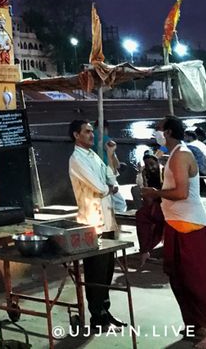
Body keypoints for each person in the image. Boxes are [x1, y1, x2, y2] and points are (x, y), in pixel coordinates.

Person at [141, 116, 206, 348]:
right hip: (175, 224)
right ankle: (196, 325)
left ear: (169, 132)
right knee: (179, 278)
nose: (156, 132)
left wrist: (155, 193)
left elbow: (181, 193)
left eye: (159, 129)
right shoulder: (171, 154)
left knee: (199, 280)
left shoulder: (182, 155)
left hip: (190, 225)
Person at [68, 119, 125, 330]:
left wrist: (109, 156)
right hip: (92, 221)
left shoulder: (93, 155)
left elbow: (112, 175)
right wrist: (110, 186)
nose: (92, 135)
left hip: (108, 219)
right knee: (96, 271)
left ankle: (105, 310)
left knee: (108, 269)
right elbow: (100, 187)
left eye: (92, 131)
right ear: (76, 135)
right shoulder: (76, 159)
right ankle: (97, 315)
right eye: (87, 132)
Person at [133, 152, 164, 266]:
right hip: (155, 204)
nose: (151, 168)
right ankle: (145, 250)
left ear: (157, 162)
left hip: (167, 204)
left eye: (152, 164)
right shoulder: (146, 173)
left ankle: (147, 249)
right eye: (147, 165)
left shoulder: (164, 172)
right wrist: (142, 173)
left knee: (152, 218)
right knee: (141, 215)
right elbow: (145, 193)